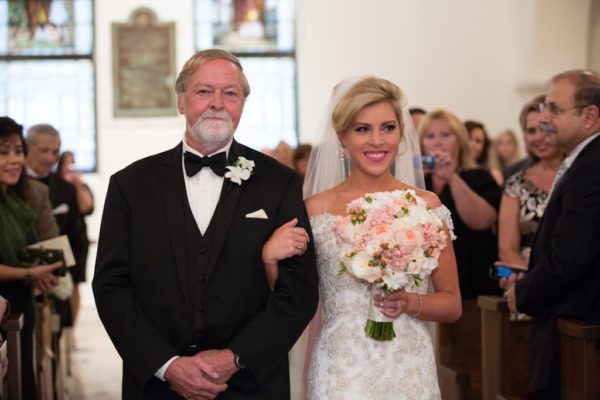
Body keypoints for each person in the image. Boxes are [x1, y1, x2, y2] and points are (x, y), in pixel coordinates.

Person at [92, 49, 319, 399]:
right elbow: (111, 286)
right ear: (181, 102)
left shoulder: (279, 183)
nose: (217, 103)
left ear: (242, 104)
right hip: (158, 386)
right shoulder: (130, 185)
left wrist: (236, 357)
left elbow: (299, 290)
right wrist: (167, 365)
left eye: (230, 93)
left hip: (250, 384)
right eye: (203, 91)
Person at [264, 77, 461, 398]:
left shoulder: (427, 207)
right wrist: (270, 258)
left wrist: (411, 302)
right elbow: (297, 301)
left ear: (401, 133)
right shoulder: (315, 209)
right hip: (341, 369)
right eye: (362, 129)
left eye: (387, 127)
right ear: (341, 138)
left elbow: (452, 304)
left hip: (409, 367)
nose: (376, 141)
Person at [502, 70, 600, 399]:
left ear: (590, 116)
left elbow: (571, 258)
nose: (545, 118)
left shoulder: (593, 167)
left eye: (555, 110)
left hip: (580, 326)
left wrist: (523, 293)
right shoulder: (583, 160)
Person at [0, 116, 62, 400]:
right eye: (3, 153)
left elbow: (31, 245)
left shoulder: (13, 199)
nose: (14, 160)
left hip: (22, 305)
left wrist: (42, 270)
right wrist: (29, 274)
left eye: (18, 151)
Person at [419, 109, 502, 299]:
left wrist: (452, 178)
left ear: (459, 141)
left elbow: (483, 220)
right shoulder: (419, 184)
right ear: (422, 143)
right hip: (426, 283)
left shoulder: (479, 177)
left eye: (445, 135)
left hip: (472, 282)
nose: (437, 141)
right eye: (430, 136)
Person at [26, 124, 88, 329]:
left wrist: (71, 275)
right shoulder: (12, 183)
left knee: (55, 330)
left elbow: (75, 233)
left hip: (55, 271)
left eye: (55, 152)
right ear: (28, 147)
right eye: (44, 150)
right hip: (20, 272)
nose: (50, 158)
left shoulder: (65, 189)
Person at [498, 95, 564, 269]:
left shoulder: (581, 174)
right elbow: (507, 247)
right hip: (526, 276)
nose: (538, 137)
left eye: (545, 128)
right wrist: (531, 283)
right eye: (531, 131)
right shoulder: (516, 182)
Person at [464, 120, 503, 185]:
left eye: (478, 141)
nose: (472, 144)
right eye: (469, 138)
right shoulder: (447, 169)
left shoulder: (491, 174)